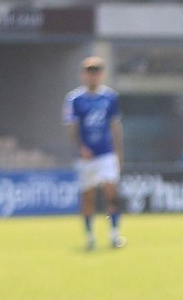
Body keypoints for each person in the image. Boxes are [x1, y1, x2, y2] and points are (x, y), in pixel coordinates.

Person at [63, 57, 125, 250]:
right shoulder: (75, 99)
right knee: (88, 196)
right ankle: (90, 236)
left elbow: (115, 125)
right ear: (84, 74)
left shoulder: (110, 97)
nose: (93, 75)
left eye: (96, 71)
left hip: (105, 153)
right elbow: (72, 127)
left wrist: (119, 152)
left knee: (111, 191)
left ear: (102, 74)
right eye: (90, 71)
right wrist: (80, 147)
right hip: (86, 156)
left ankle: (115, 234)